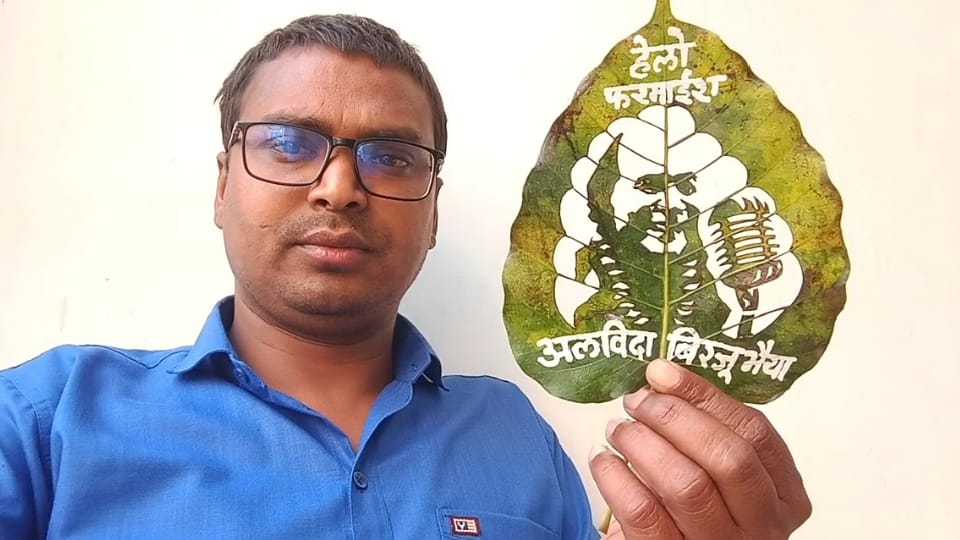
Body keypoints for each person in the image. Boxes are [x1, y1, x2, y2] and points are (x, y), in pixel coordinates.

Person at [0, 13, 812, 539]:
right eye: (288, 144)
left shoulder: (516, 434)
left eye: (391, 157)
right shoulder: (46, 423)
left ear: (431, 213)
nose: (339, 187)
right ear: (223, 185)